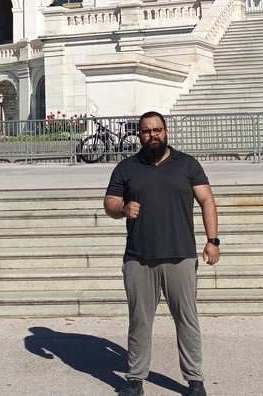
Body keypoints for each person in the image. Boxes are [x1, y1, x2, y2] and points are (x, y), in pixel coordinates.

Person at [104, 111, 220, 396]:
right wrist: (123, 210)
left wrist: (213, 240)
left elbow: (207, 200)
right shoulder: (126, 167)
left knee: (187, 319)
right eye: (146, 131)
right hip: (138, 257)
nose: (152, 135)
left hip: (180, 255)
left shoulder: (187, 164)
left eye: (157, 130)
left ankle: (195, 380)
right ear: (139, 135)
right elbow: (109, 203)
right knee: (140, 320)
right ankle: (135, 378)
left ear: (165, 131)